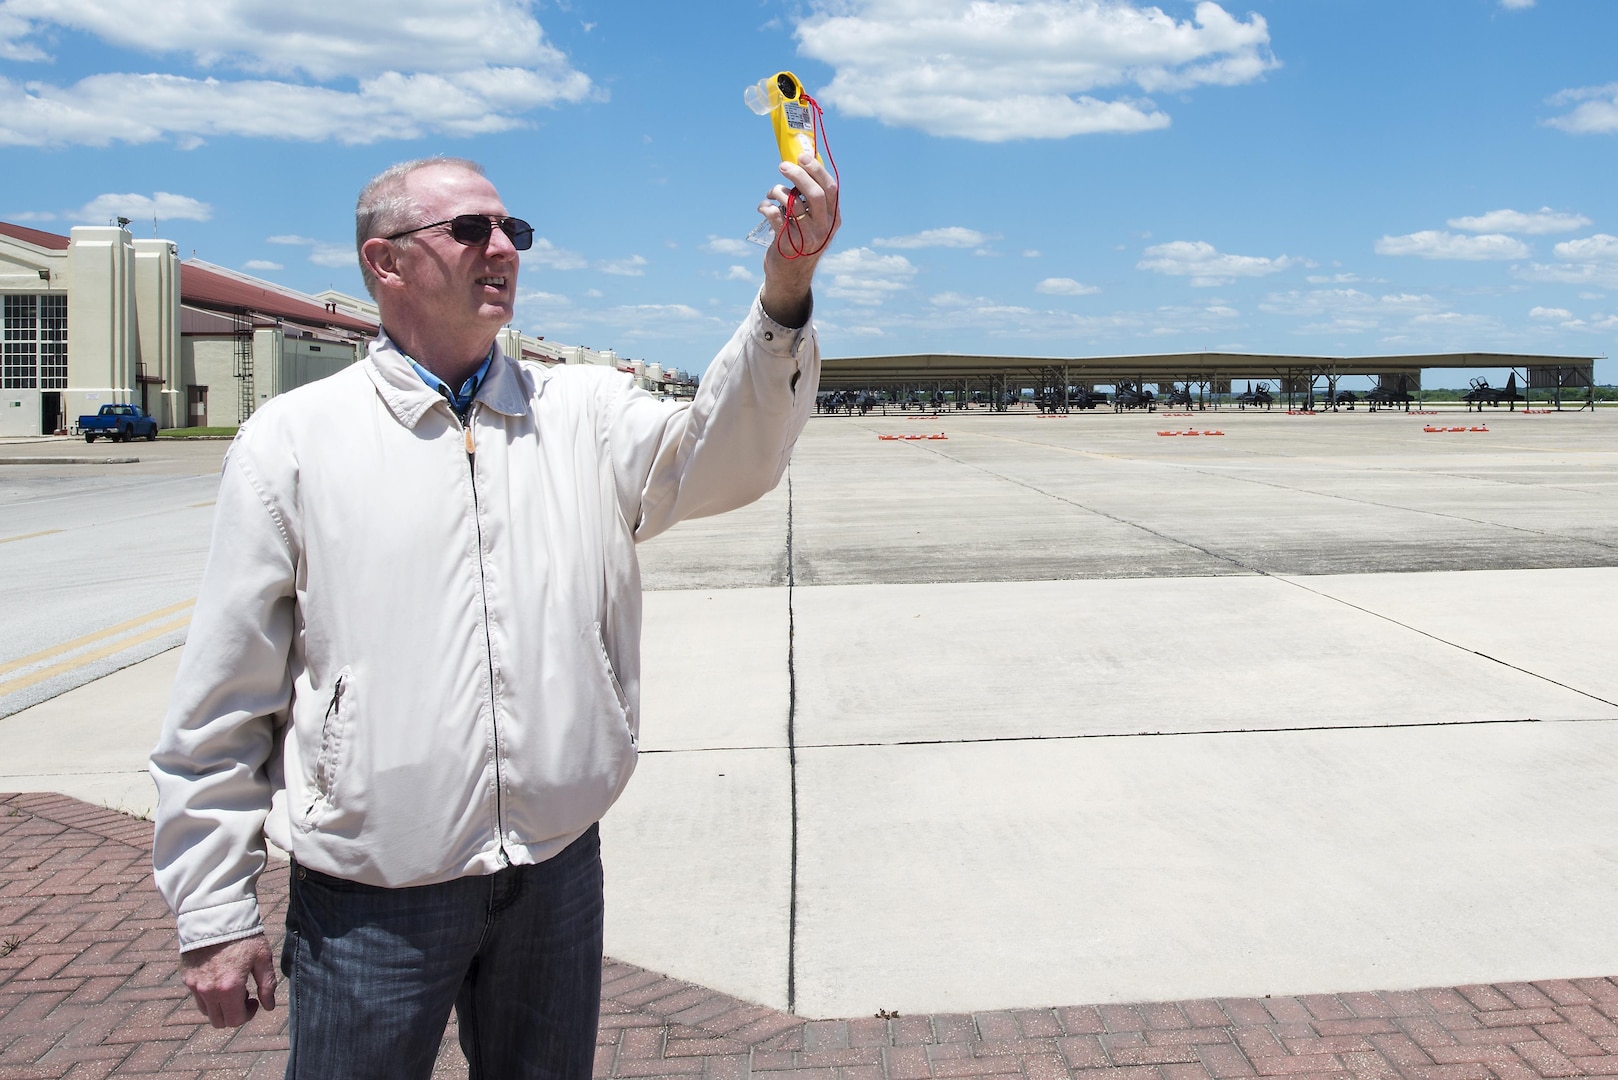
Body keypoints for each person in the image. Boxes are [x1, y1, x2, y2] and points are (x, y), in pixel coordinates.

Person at [149, 152, 838, 1078]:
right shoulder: (295, 442)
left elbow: (723, 455)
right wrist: (214, 911)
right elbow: (223, 696)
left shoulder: (582, 411)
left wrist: (785, 288)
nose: (502, 247)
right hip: (372, 894)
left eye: (512, 230)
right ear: (385, 263)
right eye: (469, 229)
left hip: (554, 875)